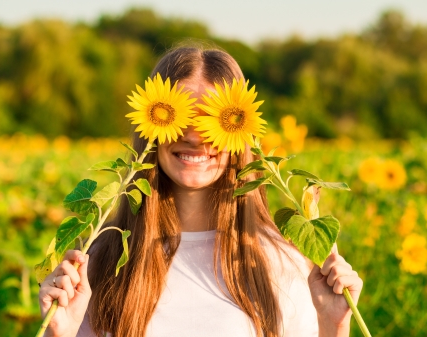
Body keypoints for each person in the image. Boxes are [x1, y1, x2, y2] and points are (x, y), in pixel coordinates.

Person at [38, 46, 363, 337]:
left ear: (241, 130)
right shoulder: (100, 263)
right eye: (181, 116)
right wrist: (59, 333)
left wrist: (335, 326)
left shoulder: (281, 264)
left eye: (213, 120)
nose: (195, 136)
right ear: (150, 125)